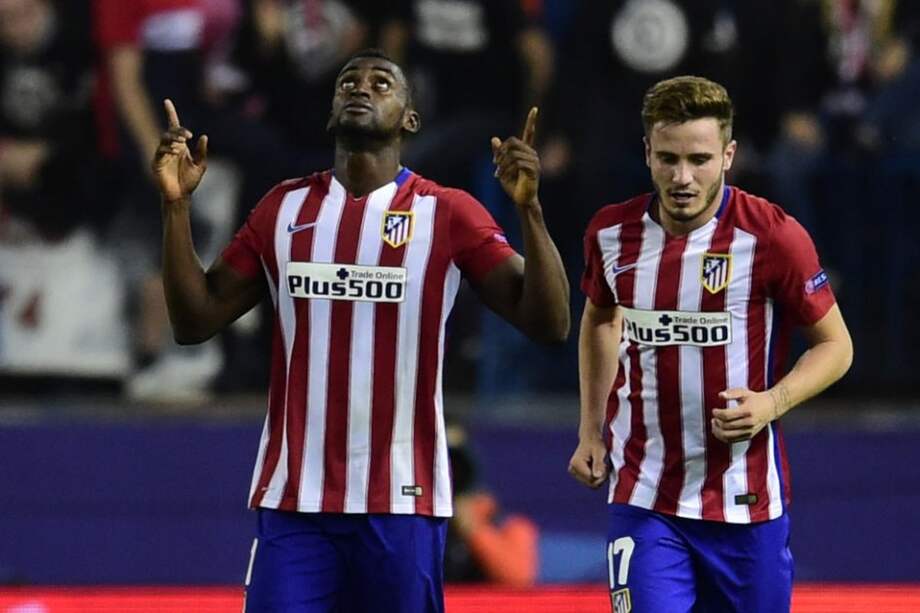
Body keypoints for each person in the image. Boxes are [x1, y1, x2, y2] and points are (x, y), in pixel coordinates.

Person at [151, 48, 569, 612]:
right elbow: (194, 320)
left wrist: (531, 211)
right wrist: (176, 206)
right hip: (295, 501)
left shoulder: (447, 213)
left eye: (381, 83)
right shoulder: (283, 208)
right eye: (348, 81)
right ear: (331, 112)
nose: (361, 88)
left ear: (410, 119)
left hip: (402, 500)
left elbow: (550, 322)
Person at [568, 76, 853, 613]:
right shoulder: (610, 235)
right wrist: (590, 430)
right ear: (647, 153)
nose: (682, 177)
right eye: (668, 159)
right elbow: (600, 319)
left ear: (728, 155)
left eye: (699, 160)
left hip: (745, 502)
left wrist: (771, 403)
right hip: (644, 494)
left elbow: (836, 346)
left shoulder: (772, 236)